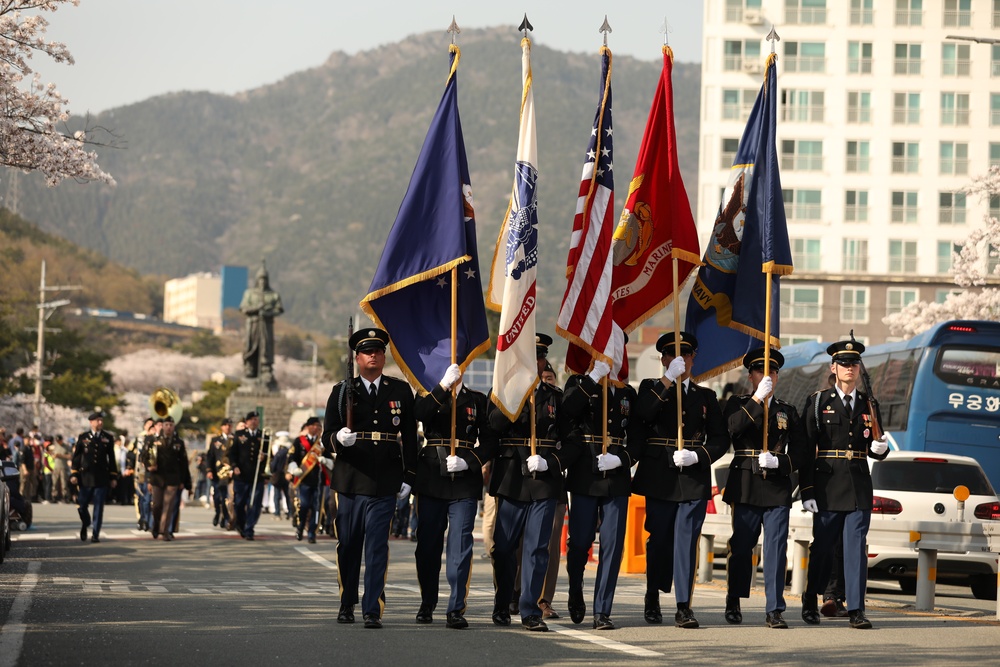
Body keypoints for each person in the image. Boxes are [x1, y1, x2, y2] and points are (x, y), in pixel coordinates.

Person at [323, 327, 418, 629]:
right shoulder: (341, 390)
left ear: (384, 355)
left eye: (378, 350)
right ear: (357, 357)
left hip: (384, 479)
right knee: (349, 544)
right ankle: (346, 601)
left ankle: (372, 608)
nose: (373, 355)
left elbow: (410, 438)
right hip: (350, 478)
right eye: (367, 351)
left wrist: (409, 475)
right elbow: (326, 436)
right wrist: (338, 438)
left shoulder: (400, 390)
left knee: (377, 546)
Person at [632, 331, 729, 629]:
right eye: (673, 355)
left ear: (693, 358)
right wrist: (665, 381)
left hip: (692, 476)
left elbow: (720, 439)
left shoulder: (705, 397)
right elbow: (642, 415)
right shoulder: (650, 388)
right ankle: (652, 594)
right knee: (659, 540)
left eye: (686, 355)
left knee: (687, 542)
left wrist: (697, 455)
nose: (681, 360)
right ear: (663, 359)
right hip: (660, 475)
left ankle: (684, 606)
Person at [486, 333, 576, 633]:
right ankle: (502, 602)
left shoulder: (555, 397)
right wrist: (513, 395)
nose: (533, 362)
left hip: (544, 480)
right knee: (503, 548)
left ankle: (530, 610)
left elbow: (572, 443)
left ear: (543, 361)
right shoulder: (503, 392)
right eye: (528, 356)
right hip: (512, 477)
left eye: (538, 357)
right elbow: (493, 428)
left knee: (538, 548)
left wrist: (551, 462)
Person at [799, 340, 889, 629]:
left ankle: (856, 608)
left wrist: (881, 448)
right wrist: (807, 490)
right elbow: (804, 450)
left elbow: (878, 446)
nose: (850, 369)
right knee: (823, 548)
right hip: (826, 485)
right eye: (844, 364)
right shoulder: (818, 402)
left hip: (858, 485)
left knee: (855, 548)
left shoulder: (868, 403)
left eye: (854, 364)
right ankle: (811, 601)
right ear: (833, 368)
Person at [722, 348, 810, 629]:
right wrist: (758, 398)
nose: (768, 376)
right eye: (761, 371)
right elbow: (732, 429)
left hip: (775, 485)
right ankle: (734, 599)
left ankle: (775, 608)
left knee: (775, 548)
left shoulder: (787, 410)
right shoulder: (738, 403)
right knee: (742, 545)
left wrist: (779, 461)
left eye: (773, 372)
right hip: (746, 482)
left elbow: (800, 453)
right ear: (751, 376)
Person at [412, 362, 498, 629]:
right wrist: (442, 387)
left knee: (460, 546)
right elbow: (420, 413)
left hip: (463, 479)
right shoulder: (428, 393)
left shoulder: (476, 399)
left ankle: (456, 607)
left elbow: (491, 441)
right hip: (431, 476)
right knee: (427, 546)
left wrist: (470, 460)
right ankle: (428, 602)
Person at [561, 353, 639, 631]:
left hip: (616, 475)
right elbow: (567, 410)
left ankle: (602, 610)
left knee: (612, 546)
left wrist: (623, 458)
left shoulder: (627, 392)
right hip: (585, 473)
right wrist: (593, 379)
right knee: (580, 542)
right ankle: (575, 587)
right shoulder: (579, 382)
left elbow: (639, 436)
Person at [70, 411, 120, 543]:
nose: (100, 422)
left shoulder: (108, 437)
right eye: (98, 420)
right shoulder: (83, 437)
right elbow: (77, 457)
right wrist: (74, 473)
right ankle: (85, 523)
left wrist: (113, 477)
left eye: (101, 420)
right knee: (81, 505)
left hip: (102, 477)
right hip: (85, 477)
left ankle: (95, 534)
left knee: (99, 507)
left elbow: (112, 459)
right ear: (91, 422)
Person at [143, 416, 191, 541]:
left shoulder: (178, 442)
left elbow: (184, 463)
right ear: (162, 426)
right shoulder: (152, 440)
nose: (168, 427)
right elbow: (144, 456)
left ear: (173, 427)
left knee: (168, 505)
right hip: (157, 477)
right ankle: (156, 526)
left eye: (171, 425)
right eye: (166, 425)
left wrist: (185, 482)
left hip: (173, 478)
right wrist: (149, 467)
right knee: (157, 505)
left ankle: (164, 531)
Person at [240, 260, 284, 391]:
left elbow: (279, 309)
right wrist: (256, 308)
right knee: (251, 347)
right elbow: (244, 308)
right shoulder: (249, 293)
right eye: (260, 279)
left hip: (266, 325)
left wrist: (268, 312)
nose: (262, 282)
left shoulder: (273, 295)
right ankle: (250, 368)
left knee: (266, 348)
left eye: (265, 279)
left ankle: (266, 370)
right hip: (252, 325)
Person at [287, 417, 332, 544]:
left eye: (318, 426)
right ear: (308, 427)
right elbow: (291, 458)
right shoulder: (299, 441)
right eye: (314, 425)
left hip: (319, 480)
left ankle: (312, 533)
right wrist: (294, 468)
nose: (316, 428)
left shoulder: (322, 443)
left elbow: (332, 462)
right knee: (305, 505)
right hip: (304, 480)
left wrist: (325, 460)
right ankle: (301, 527)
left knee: (316, 507)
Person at [230, 411, 269, 540]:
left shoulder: (263, 436)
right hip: (241, 476)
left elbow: (269, 456)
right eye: (251, 419)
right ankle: (241, 524)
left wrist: (264, 457)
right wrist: (234, 466)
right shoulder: (239, 435)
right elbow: (232, 453)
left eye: (256, 419)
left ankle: (249, 528)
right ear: (246, 422)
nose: (254, 422)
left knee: (255, 504)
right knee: (239, 503)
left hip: (257, 476)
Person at [205, 417, 234, 529]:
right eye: (225, 425)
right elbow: (210, 456)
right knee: (218, 497)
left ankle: (226, 517)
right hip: (218, 472)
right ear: (222, 427)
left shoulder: (234, 439)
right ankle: (218, 512)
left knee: (227, 497)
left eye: (229, 425)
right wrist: (209, 470)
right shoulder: (216, 440)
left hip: (229, 473)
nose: (227, 427)